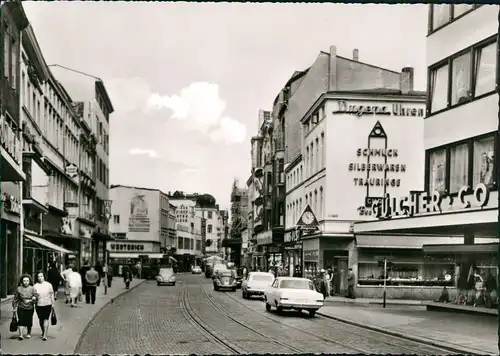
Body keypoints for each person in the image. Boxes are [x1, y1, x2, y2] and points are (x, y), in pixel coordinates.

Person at [12, 274, 36, 340]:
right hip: (21, 306)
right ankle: (21, 335)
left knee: (29, 320)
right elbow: (15, 298)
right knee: (21, 320)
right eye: (24, 281)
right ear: (22, 281)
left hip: (30, 307)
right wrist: (14, 307)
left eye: (27, 281)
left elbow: (36, 298)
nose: (26, 282)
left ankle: (29, 333)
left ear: (29, 281)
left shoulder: (32, 288)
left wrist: (32, 300)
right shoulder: (19, 288)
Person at [33, 271, 55, 341]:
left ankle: (45, 334)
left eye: (41, 276)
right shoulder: (35, 286)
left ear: (44, 276)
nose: (40, 278)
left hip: (47, 304)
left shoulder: (48, 285)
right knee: (40, 319)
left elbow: (51, 294)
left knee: (46, 319)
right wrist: (34, 298)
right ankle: (43, 331)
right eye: (38, 276)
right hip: (38, 305)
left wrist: (53, 303)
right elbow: (33, 295)